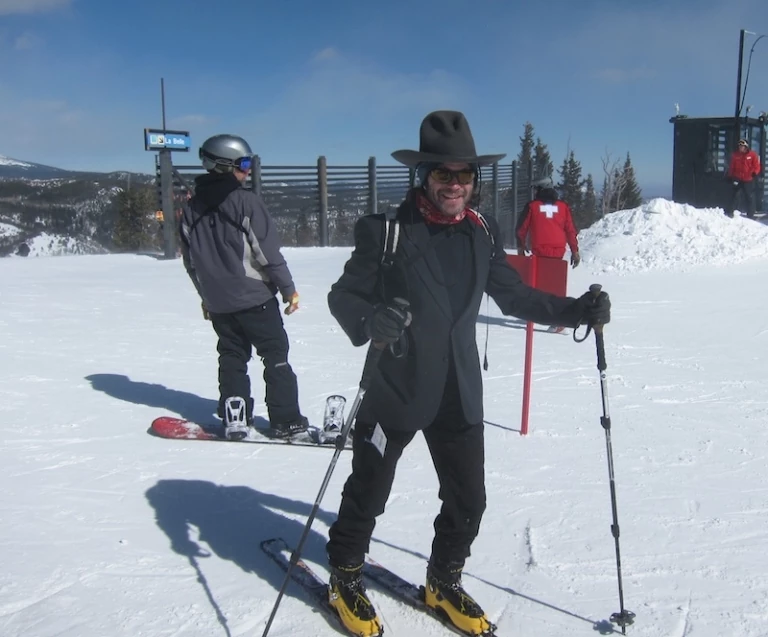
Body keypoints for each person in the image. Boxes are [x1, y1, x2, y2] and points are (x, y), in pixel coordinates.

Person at [324, 110, 611, 637]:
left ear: (475, 181)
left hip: (458, 386)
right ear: (423, 176)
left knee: (468, 498)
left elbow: (514, 294)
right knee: (371, 487)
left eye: (464, 175)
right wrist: (372, 320)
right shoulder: (386, 232)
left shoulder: (481, 231)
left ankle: (443, 578)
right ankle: (343, 573)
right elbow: (343, 297)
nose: (454, 185)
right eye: (443, 174)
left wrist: (576, 311)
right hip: (398, 383)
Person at [179, 134, 308, 441]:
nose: (248, 170)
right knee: (275, 354)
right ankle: (286, 420)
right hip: (255, 299)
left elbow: (191, 261)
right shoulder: (246, 202)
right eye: (244, 164)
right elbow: (268, 253)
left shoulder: (191, 208)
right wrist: (289, 290)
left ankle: (235, 415)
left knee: (232, 356)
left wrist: (205, 296)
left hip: (219, 303)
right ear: (224, 165)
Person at [516, 183, 581, 333]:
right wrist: (574, 250)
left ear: (539, 190)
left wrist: (520, 245)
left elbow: (522, 227)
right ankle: (559, 321)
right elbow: (570, 230)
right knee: (555, 286)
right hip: (558, 251)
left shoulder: (532, 206)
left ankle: (533, 317)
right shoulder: (563, 207)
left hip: (539, 250)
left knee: (536, 285)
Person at [725, 138, 761, 219]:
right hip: (737, 178)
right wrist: (730, 176)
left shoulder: (752, 155)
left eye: (742, 146)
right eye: (739, 146)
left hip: (748, 179)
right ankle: (730, 212)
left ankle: (750, 214)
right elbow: (732, 167)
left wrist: (755, 172)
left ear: (746, 147)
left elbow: (757, 166)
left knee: (749, 197)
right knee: (735, 195)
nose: (740, 148)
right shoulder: (735, 155)